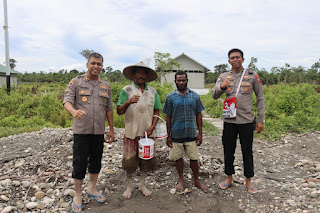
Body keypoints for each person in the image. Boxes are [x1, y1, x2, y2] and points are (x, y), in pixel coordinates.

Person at [63, 53, 114, 212]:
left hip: (99, 131)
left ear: (102, 66)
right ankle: (78, 194)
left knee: (96, 161)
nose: (96, 66)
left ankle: (92, 188)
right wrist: (73, 111)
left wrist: (111, 129)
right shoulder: (76, 82)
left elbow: (109, 108)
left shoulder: (105, 85)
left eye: (99, 64)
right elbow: (67, 101)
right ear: (87, 64)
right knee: (79, 162)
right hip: (82, 131)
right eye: (93, 63)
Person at [212, 48, 265, 194]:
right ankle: (229, 177)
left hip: (247, 120)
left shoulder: (252, 75)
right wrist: (222, 87)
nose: (235, 60)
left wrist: (260, 119)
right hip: (229, 121)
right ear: (229, 61)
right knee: (228, 150)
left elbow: (260, 98)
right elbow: (214, 95)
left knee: (247, 150)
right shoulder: (223, 76)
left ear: (243, 59)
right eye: (232, 58)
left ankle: (249, 180)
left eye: (237, 57)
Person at [117, 62, 162, 199]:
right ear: (134, 75)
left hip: (147, 134)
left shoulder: (153, 92)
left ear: (147, 76)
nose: (141, 75)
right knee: (130, 162)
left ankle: (142, 184)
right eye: (139, 73)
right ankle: (129, 186)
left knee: (146, 160)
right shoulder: (127, 90)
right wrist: (128, 102)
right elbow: (119, 111)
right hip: (131, 132)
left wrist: (152, 126)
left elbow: (157, 110)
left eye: (144, 73)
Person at [163, 71, 208, 193]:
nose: (181, 82)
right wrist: (168, 136)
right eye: (179, 80)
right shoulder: (170, 97)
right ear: (175, 81)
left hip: (191, 133)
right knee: (178, 158)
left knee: (194, 158)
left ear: (187, 81)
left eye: (183, 80)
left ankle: (197, 180)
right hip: (176, 133)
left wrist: (200, 133)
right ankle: (181, 179)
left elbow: (199, 115)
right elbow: (168, 117)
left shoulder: (194, 96)